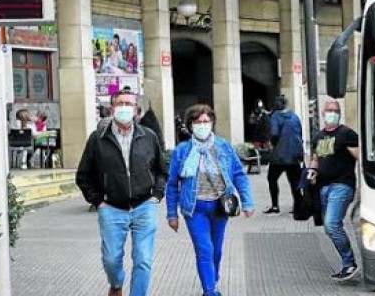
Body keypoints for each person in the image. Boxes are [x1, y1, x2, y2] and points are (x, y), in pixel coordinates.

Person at [75, 88, 168, 296]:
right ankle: (116, 284)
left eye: (129, 104)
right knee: (111, 259)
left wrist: (157, 196)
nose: (125, 108)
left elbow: (162, 171)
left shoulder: (148, 136)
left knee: (143, 259)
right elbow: (83, 175)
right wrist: (98, 201)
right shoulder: (98, 138)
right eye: (120, 104)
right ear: (112, 109)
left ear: (136, 110)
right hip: (112, 208)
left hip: (144, 206)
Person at [166, 104, 255, 296]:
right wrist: (171, 214)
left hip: (220, 207)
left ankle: (212, 280)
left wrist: (247, 201)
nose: (202, 125)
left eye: (206, 121)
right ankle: (210, 291)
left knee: (216, 251)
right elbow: (172, 184)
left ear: (212, 123)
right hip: (194, 208)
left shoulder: (223, 146)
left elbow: (239, 174)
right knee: (204, 249)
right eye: (197, 122)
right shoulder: (182, 151)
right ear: (190, 125)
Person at [306, 99, 360, 282]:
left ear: (339, 113)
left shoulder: (347, 134)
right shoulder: (318, 137)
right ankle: (348, 263)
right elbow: (315, 158)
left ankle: (350, 263)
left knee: (331, 224)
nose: (332, 113)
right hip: (323, 187)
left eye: (335, 110)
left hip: (342, 185)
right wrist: (312, 172)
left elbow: (360, 156)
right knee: (330, 229)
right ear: (323, 113)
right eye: (329, 110)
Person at [264, 95, 303, 215]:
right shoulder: (295, 117)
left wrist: (274, 144)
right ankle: (298, 206)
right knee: (295, 182)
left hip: (279, 156)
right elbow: (300, 133)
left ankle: (275, 205)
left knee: (272, 178)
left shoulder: (275, 117)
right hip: (294, 155)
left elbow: (274, 134)